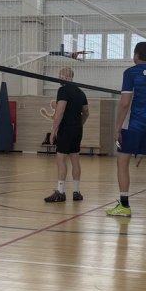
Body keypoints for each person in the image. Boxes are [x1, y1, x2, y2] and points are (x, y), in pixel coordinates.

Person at [106, 41, 146, 219]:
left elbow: (125, 103)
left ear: (136, 55)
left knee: (122, 162)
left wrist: (117, 128)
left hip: (132, 125)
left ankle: (124, 206)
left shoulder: (131, 72)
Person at [45, 67, 89, 202]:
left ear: (67, 77)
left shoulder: (63, 90)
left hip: (66, 129)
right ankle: (76, 192)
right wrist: (79, 124)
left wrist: (54, 130)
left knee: (61, 159)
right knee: (75, 158)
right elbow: (86, 112)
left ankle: (60, 192)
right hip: (77, 129)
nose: (58, 78)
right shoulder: (80, 92)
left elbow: (60, 111)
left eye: (61, 75)